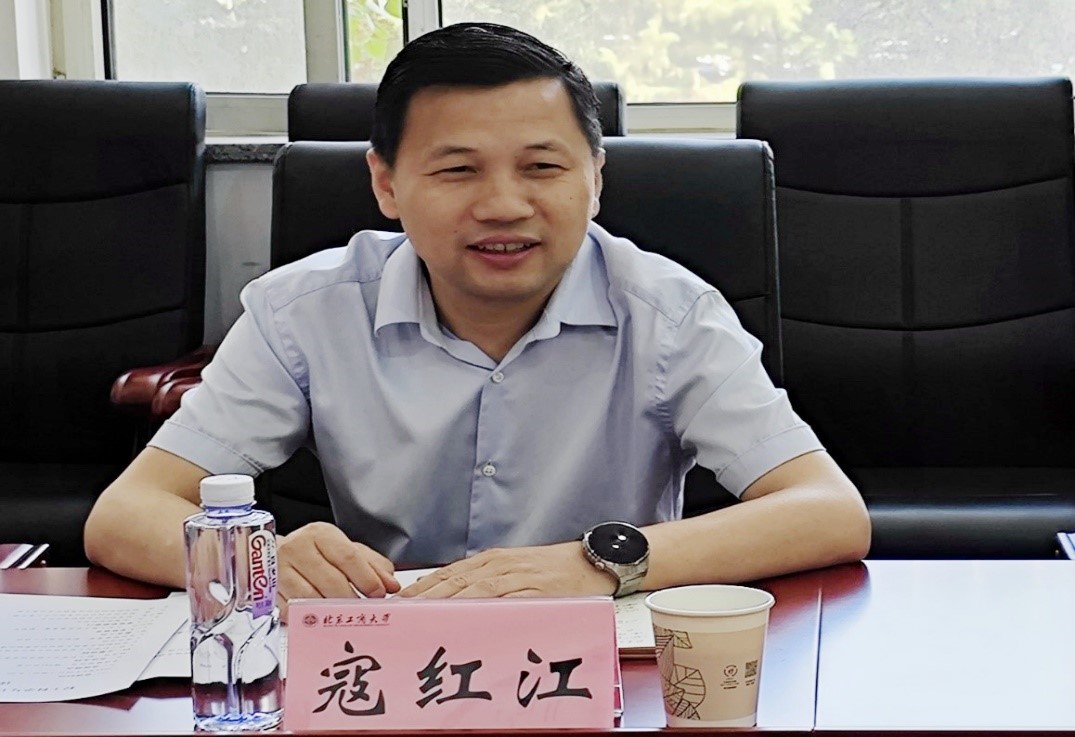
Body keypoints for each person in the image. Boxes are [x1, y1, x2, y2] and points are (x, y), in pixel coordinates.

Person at [84, 22, 870, 615]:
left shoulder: (669, 313)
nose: (503, 205)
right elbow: (125, 515)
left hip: (597, 663)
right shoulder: (304, 311)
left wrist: (597, 563)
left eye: (542, 167)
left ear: (596, 179)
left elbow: (826, 511)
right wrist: (258, 559)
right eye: (458, 169)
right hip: (388, 657)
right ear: (386, 184)